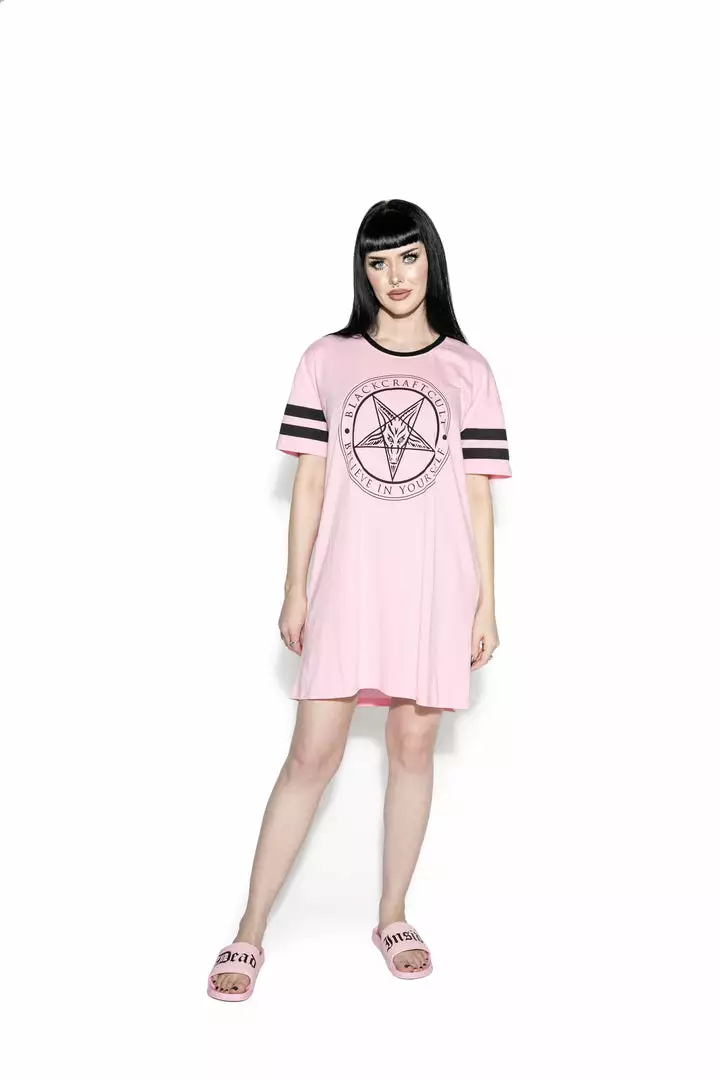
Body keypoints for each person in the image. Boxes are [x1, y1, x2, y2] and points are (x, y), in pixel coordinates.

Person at [207, 198, 512, 1001]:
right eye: (378, 261)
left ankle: (393, 913)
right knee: (312, 755)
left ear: (430, 260)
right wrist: (294, 588)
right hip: (347, 583)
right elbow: (310, 482)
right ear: (363, 271)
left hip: (437, 587)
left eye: (408, 256)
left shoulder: (470, 370)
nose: (395, 275)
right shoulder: (326, 359)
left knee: (413, 748)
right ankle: (249, 928)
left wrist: (485, 604)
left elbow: (477, 496)